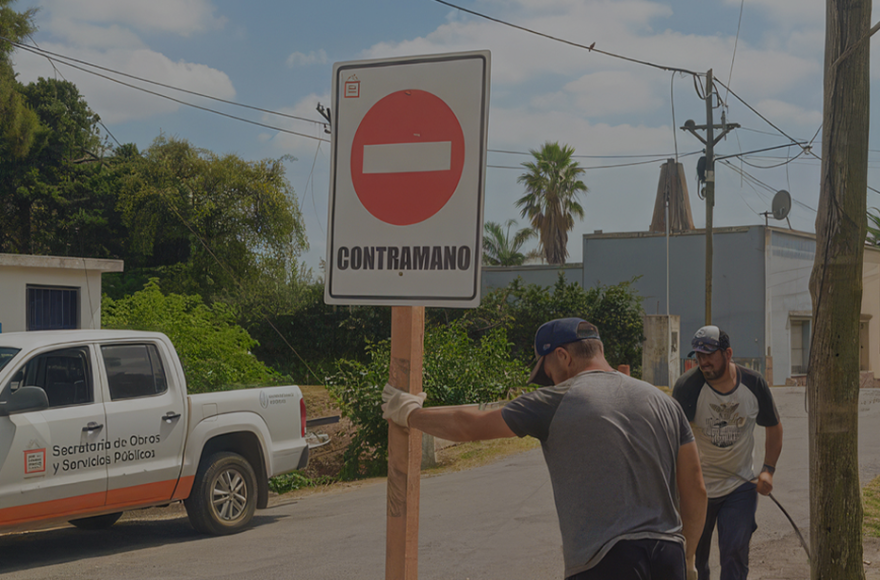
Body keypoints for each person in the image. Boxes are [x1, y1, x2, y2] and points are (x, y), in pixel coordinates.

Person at [382, 317, 707, 580]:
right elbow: (696, 488)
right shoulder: (664, 403)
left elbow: (470, 427)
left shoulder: (558, 399)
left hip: (605, 561)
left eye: (548, 371)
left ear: (563, 356)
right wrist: (688, 557)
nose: (550, 380)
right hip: (669, 555)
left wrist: (409, 413)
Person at [672, 325, 783, 580]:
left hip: (740, 485)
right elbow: (673, 439)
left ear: (728, 353)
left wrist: (768, 470)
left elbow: (774, 427)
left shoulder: (754, 384)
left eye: (709, 354)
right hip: (697, 488)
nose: (703, 362)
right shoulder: (687, 388)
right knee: (693, 560)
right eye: (698, 355)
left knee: (734, 551)